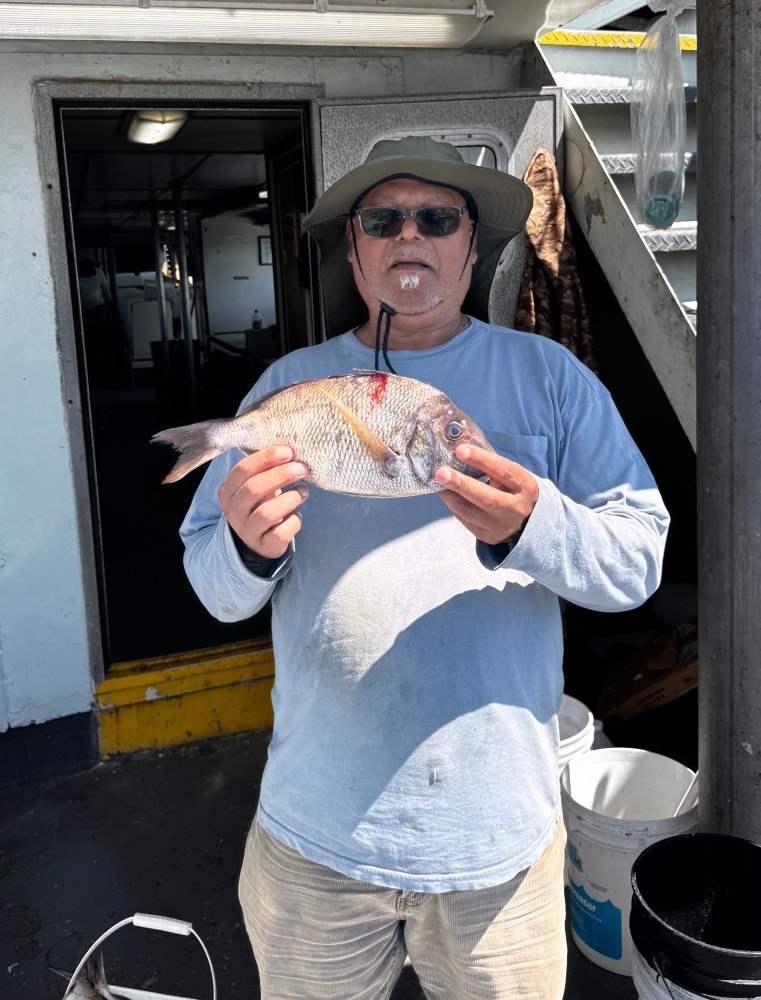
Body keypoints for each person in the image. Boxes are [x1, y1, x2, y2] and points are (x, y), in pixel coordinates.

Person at [180, 136, 669, 999]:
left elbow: (636, 564)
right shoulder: (287, 387)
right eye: (384, 218)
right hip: (313, 841)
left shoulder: (548, 376)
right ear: (356, 247)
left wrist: (533, 526)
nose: (411, 235)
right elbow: (215, 594)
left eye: (437, 218)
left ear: (471, 248)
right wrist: (249, 551)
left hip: (498, 847)